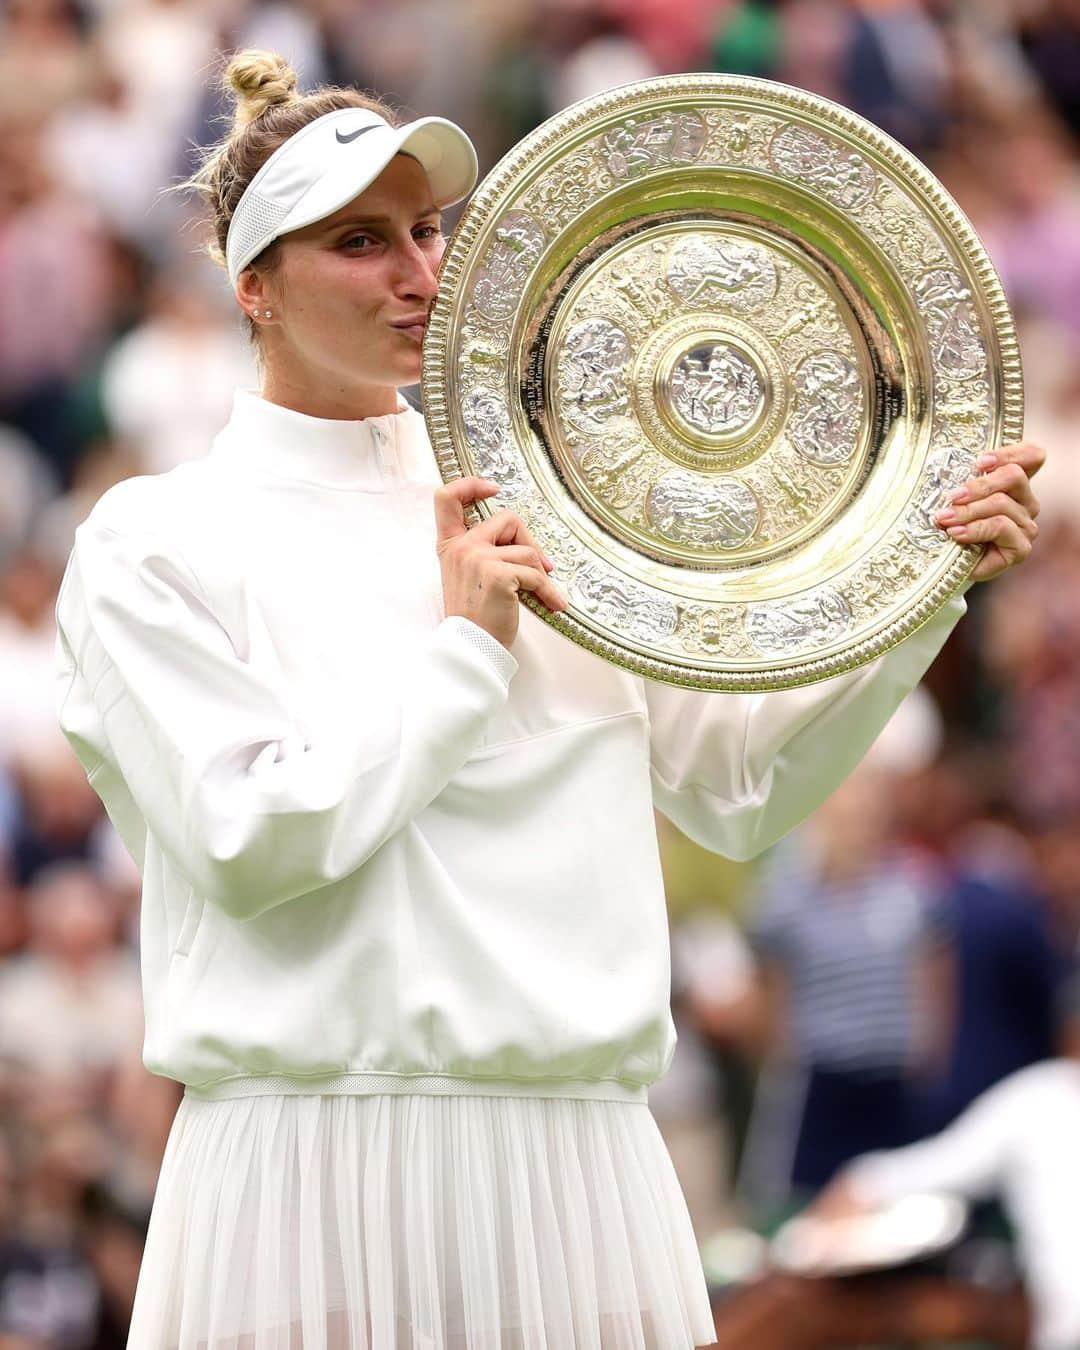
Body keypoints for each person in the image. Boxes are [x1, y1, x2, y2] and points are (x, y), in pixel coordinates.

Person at [51, 49, 1044, 1350]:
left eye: (426, 232)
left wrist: (928, 583)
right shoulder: (154, 540)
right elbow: (251, 839)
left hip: (582, 1162)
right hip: (303, 1162)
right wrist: (466, 651)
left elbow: (739, 789)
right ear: (254, 284)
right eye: (358, 241)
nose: (416, 273)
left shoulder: (561, 501)